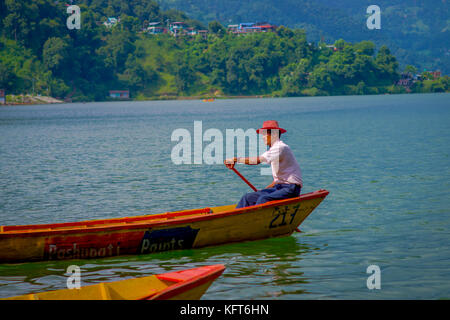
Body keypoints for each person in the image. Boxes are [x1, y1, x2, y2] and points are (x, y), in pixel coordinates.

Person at [224, 120, 303, 208]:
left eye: (265, 134)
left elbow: (257, 160)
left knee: (263, 199)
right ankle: (237, 218)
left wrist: (236, 159)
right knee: (247, 198)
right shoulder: (274, 150)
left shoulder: (280, 148)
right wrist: (263, 190)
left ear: (274, 135)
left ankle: (254, 219)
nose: (263, 137)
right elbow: (278, 180)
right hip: (279, 187)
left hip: (291, 189)